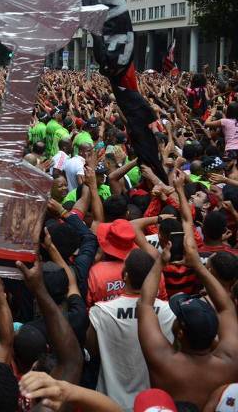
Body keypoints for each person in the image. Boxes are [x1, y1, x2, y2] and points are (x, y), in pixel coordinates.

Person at [136, 169, 238, 409]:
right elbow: (225, 306)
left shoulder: (163, 362)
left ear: (180, 332)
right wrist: (200, 268)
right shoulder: (231, 360)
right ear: (217, 334)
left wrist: (161, 262)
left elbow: (145, 304)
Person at [87, 248, 176, 409]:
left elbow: (91, 351)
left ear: (125, 276)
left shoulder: (101, 312)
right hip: (152, 404)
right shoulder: (169, 312)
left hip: (110, 403)